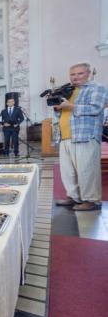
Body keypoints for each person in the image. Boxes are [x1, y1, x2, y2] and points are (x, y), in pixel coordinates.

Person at [53, 62, 108, 211]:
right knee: (68, 171)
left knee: (86, 169)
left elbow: (96, 108)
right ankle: (74, 197)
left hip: (85, 135)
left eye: (80, 73)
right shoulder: (69, 91)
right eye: (72, 74)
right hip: (65, 136)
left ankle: (92, 200)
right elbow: (62, 113)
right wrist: (58, 109)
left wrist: (71, 107)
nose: (75, 77)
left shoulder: (97, 88)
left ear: (88, 73)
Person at [0, 93, 24, 157]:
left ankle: (16, 152)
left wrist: (17, 124)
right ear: (7, 103)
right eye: (9, 102)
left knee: (15, 140)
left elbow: (22, 118)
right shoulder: (3, 111)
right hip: (6, 128)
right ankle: (6, 152)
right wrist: (3, 124)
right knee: (6, 140)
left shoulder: (18, 110)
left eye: (12, 101)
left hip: (14, 128)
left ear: (14, 102)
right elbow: (0, 120)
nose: (10, 103)